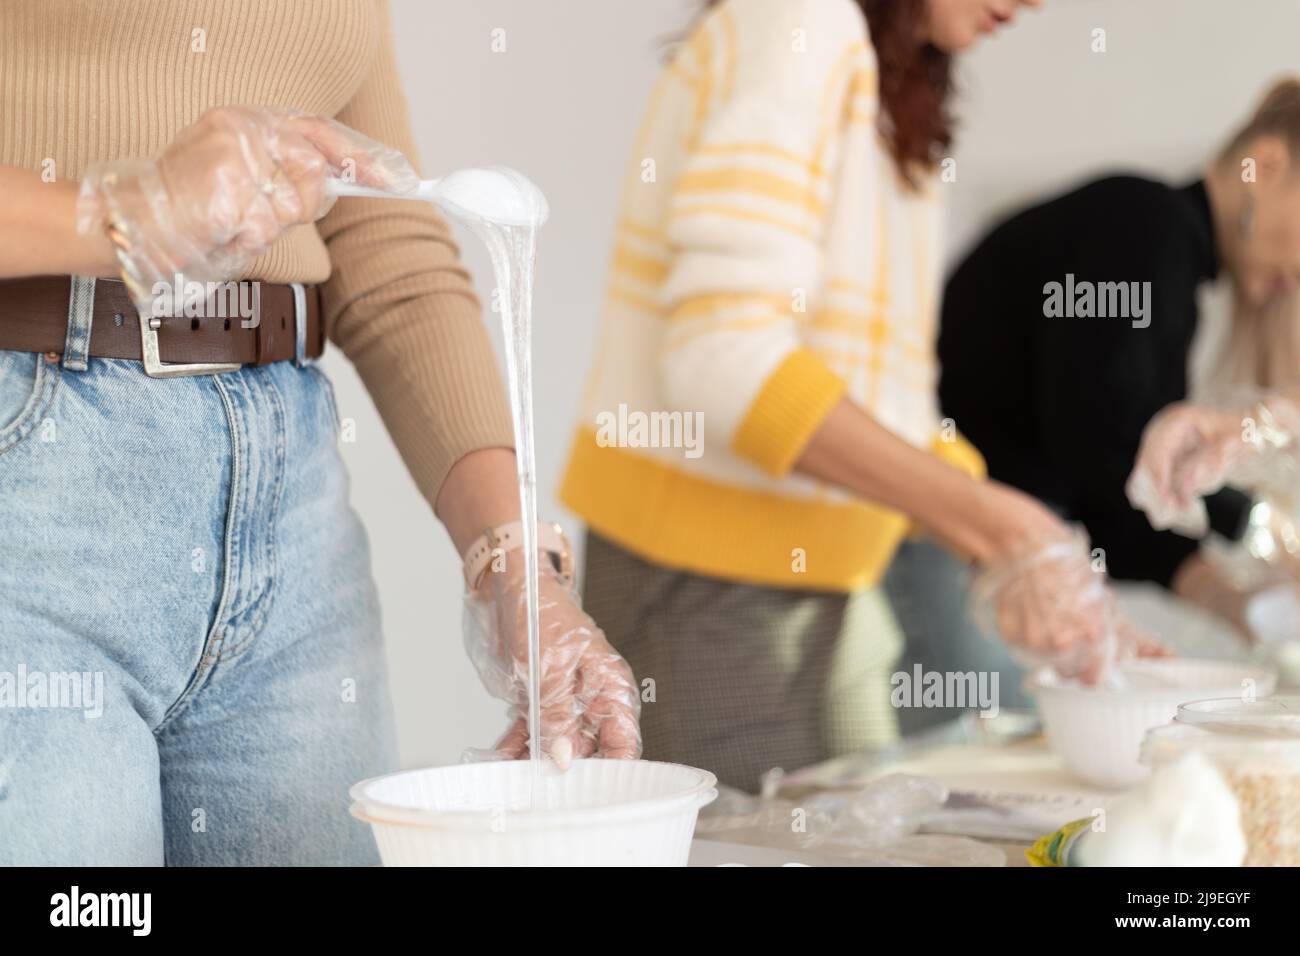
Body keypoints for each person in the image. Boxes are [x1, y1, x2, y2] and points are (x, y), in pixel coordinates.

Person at [0, 0, 638, 866]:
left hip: (291, 510)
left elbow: (383, 237)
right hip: (32, 481)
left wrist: (513, 562)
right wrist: (118, 214)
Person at [559, 0, 1148, 793]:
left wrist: (1032, 564)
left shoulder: (877, 67)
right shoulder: (799, 22)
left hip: (831, 587)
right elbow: (724, 360)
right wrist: (1000, 528)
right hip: (708, 589)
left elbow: (885, 398)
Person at [940, 78, 1300, 637]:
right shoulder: (1142, 224)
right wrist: (1260, 527)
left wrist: (1231, 599)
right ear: (1268, 166)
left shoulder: (1168, 260)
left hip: (997, 566)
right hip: (953, 557)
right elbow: (1107, 442)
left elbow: (1117, 491)